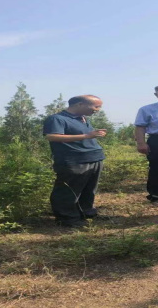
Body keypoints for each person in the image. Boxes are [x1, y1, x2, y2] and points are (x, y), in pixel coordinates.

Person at [43, 95, 107, 227]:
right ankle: (67, 219)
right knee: (69, 191)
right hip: (74, 160)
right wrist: (87, 135)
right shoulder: (57, 119)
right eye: (96, 106)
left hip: (94, 158)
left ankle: (86, 213)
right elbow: (52, 136)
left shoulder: (83, 118)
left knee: (89, 189)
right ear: (79, 104)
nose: (98, 109)